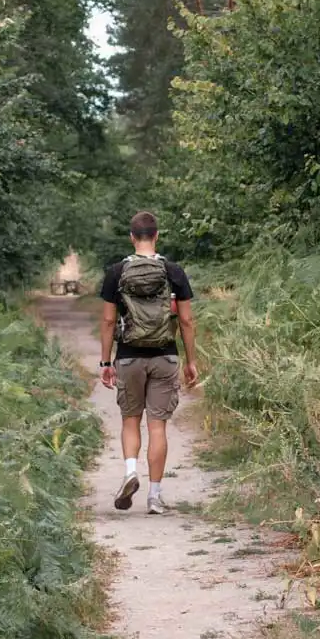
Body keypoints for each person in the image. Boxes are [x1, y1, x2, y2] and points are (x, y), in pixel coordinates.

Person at [99, 211, 199, 514]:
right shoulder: (173, 271)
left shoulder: (116, 272)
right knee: (158, 426)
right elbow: (186, 319)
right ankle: (155, 497)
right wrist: (191, 361)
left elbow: (107, 321)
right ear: (156, 236)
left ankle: (131, 472)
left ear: (132, 237)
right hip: (165, 355)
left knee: (130, 420)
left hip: (129, 357)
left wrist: (105, 362)